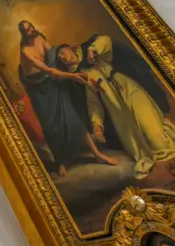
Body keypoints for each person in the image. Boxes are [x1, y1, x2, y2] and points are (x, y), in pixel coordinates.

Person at [81, 35, 175, 179]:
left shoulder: (96, 54)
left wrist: (92, 50)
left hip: (129, 89)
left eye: (62, 53)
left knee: (157, 141)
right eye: (59, 57)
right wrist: (97, 124)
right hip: (116, 108)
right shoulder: (84, 73)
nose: (63, 57)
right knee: (138, 145)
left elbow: (106, 39)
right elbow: (93, 103)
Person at [17, 21, 117, 175]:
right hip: (39, 91)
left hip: (51, 83)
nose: (32, 30)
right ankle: (61, 161)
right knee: (52, 127)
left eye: (31, 27)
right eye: (28, 30)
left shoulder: (40, 39)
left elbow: (53, 56)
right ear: (24, 34)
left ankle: (97, 154)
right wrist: (72, 76)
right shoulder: (25, 51)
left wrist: (68, 50)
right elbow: (49, 70)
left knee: (73, 117)